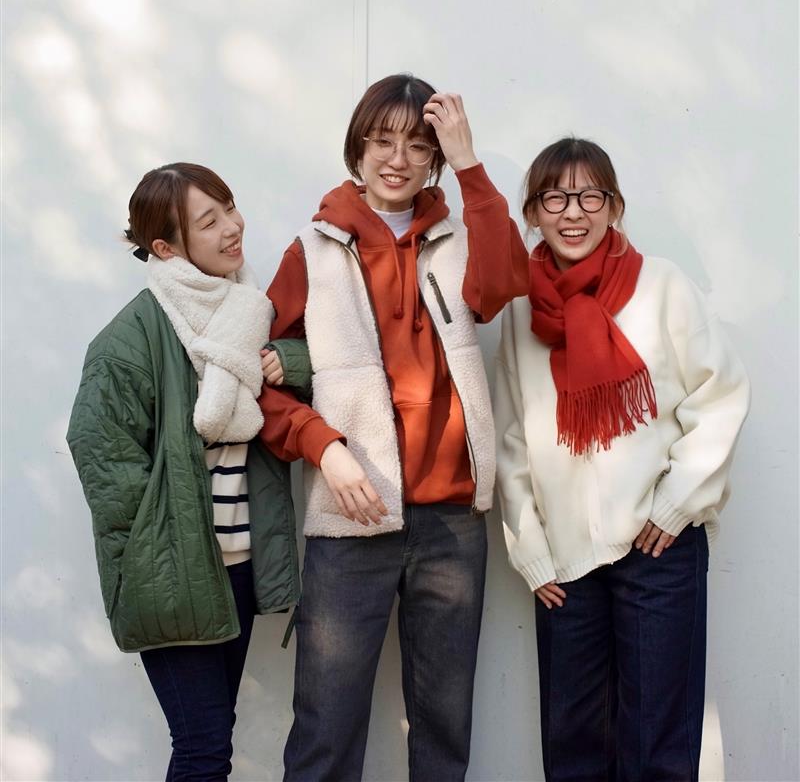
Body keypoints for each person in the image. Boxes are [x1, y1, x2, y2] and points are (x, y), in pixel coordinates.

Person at [259, 73, 529, 781]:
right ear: (357, 147)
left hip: (452, 522)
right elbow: (258, 384)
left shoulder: (460, 239)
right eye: (382, 141)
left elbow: (504, 285)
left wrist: (470, 165)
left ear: (435, 157)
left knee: (443, 733)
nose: (398, 159)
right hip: (352, 517)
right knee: (326, 731)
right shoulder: (312, 251)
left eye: (418, 145)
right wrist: (325, 448)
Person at [495, 137, 750, 782]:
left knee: (657, 749)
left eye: (590, 196)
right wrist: (531, 550)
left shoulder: (663, 285)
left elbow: (719, 396)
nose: (572, 212)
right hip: (565, 563)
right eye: (555, 197)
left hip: (657, 548)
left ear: (615, 207)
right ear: (533, 212)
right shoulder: (522, 306)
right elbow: (513, 435)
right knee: (574, 748)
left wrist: (676, 504)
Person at [67, 163, 309, 781]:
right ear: (166, 248)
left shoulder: (249, 311)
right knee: (203, 750)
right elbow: (102, 453)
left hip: (240, 566)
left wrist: (289, 360)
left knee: (211, 740)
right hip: (176, 574)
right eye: (209, 221)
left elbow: (318, 373)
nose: (232, 227)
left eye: (229, 208)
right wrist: (157, 551)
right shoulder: (129, 339)